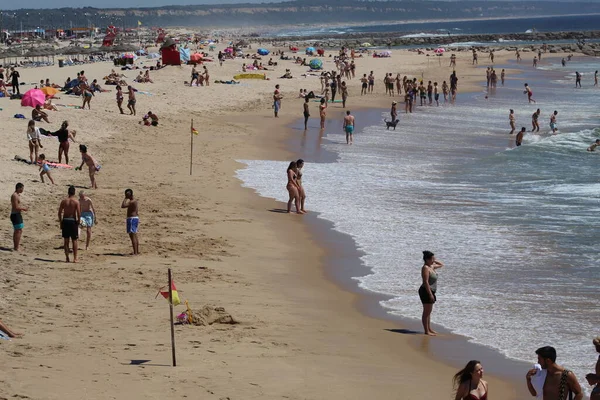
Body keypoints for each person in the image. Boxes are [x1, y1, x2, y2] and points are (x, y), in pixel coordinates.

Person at [418, 250, 444, 336]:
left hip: (431, 291)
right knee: (426, 312)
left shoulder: (431, 267)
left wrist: (434, 260)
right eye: (432, 258)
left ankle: (429, 328)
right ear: (427, 259)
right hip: (426, 291)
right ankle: (426, 331)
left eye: (433, 258)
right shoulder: (425, 268)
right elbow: (425, 282)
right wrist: (430, 294)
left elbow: (441, 265)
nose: (433, 260)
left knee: (429, 312)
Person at [58, 186, 81, 263]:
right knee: (74, 240)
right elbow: (79, 213)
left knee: (66, 240)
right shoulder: (76, 202)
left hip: (65, 220)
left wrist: (61, 222)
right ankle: (75, 258)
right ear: (74, 193)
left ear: (68, 192)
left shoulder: (64, 201)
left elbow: (59, 213)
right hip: (72, 221)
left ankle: (67, 258)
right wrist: (78, 221)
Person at [121, 189, 140, 255]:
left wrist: (125, 198)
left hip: (132, 219)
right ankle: (136, 251)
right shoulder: (134, 201)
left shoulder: (132, 201)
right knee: (133, 235)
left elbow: (123, 205)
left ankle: (135, 252)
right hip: (133, 218)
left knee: (133, 235)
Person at [10, 183, 27, 251]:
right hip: (15, 215)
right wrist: (23, 208)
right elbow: (15, 207)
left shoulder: (17, 195)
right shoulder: (14, 195)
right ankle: (16, 247)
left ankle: (16, 246)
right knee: (18, 231)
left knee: (19, 230)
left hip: (17, 215)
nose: (23, 190)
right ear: (19, 188)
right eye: (22, 188)